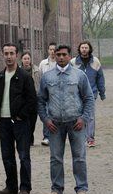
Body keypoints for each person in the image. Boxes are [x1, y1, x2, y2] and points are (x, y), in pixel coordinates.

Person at [38, 44, 94, 194]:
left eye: (64, 55)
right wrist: (46, 120)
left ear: (70, 57)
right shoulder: (47, 77)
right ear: (54, 56)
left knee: (79, 158)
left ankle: (81, 188)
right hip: (55, 124)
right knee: (56, 159)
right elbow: (41, 101)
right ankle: (56, 188)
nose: (61, 57)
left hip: (76, 123)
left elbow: (89, 98)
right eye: (58, 55)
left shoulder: (79, 75)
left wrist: (84, 118)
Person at [0, 43, 37, 194]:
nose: (9, 56)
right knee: (7, 156)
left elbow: (32, 100)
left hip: (19, 122)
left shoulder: (24, 76)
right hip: (3, 121)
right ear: (3, 55)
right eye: (6, 53)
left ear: (16, 55)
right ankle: (11, 186)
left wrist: (21, 115)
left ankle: (25, 187)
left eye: (11, 53)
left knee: (24, 156)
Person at [71, 40, 106, 148]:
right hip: (77, 93)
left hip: (91, 93)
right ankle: (80, 137)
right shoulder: (73, 62)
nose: (84, 49)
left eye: (86, 47)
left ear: (89, 49)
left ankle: (90, 138)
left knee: (90, 116)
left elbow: (100, 78)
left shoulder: (95, 62)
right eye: (82, 48)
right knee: (78, 116)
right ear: (79, 49)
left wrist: (102, 92)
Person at [37, 42, 58, 146]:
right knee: (45, 114)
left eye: (54, 49)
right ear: (48, 50)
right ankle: (46, 136)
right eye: (50, 49)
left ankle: (55, 135)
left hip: (57, 93)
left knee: (54, 114)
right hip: (45, 92)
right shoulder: (43, 63)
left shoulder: (59, 63)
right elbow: (40, 77)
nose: (52, 52)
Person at [20, 51, 38, 146]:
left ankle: (30, 135)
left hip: (34, 99)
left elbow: (39, 84)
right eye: (24, 59)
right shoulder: (18, 71)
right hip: (22, 100)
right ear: (21, 60)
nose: (26, 60)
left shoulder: (36, 70)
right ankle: (26, 138)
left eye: (28, 59)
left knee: (32, 120)